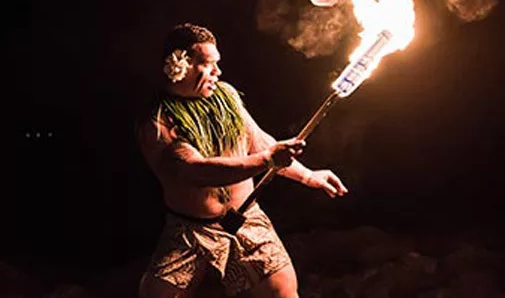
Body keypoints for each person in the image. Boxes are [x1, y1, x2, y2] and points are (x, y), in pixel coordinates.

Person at [136, 23, 349, 298]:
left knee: (282, 292)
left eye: (218, 63)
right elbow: (195, 171)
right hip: (191, 231)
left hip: (247, 220)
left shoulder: (227, 95)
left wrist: (308, 175)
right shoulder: (157, 121)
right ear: (180, 65)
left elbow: (260, 143)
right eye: (208, 64)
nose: (218, 72)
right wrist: (266, 160)